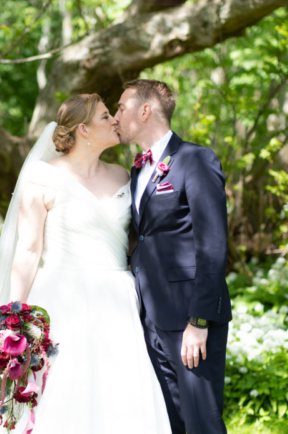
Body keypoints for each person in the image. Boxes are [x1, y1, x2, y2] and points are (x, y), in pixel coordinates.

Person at [0, 94, 172, 434]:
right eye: (105, 116)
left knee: (118, 390)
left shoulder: (123, 175)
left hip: (117, 298)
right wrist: (15, 315)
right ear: (84, 130)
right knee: (60, 391)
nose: (115, 120)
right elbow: (28, 250)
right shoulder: (42, 178)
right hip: (62, 296)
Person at [114, 79, 232, 434]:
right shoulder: (137, 170)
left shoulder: (196, 160)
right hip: (149, 315)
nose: (116, 116)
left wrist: (199, 322)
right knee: (170, 423)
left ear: (144, 111)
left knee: (202, 422)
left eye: (121, 108)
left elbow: (212, 244)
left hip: (188, 318)